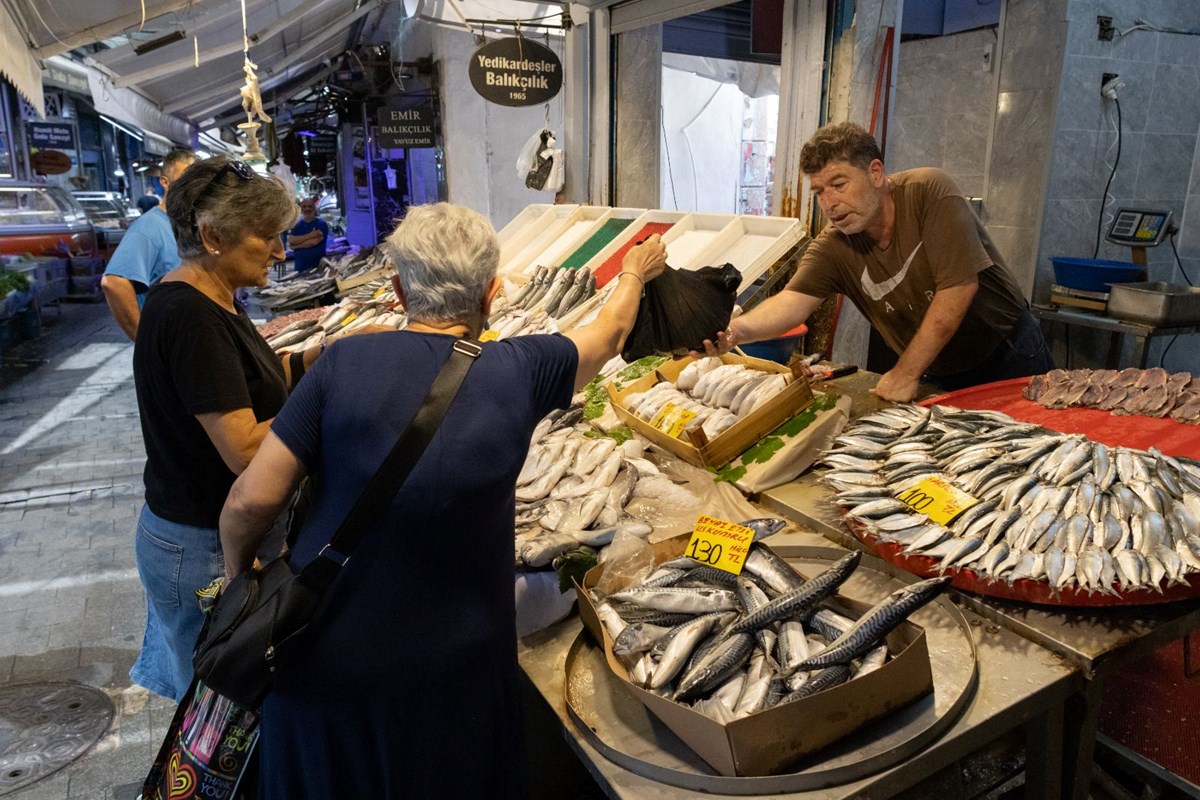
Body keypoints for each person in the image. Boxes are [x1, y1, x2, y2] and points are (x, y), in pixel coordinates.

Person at [218, 204, 667, 798]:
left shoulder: (344, 361)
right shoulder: (520, 367)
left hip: (325, 658)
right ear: (492, 290)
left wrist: (239, 573)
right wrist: (634, 271)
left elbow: (251, 501)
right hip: (457, 673)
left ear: (400, 287)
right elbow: (609, 332)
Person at [130, 157, 331, 702]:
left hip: (196, 537)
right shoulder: (191, 316)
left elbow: (251, 386)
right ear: (213, 236)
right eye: (266, 238)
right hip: (199, 548)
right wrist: (329, 402)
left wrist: (325, 357)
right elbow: (244, 449)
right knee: (217, 708)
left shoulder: (214, 298)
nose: (280, 251)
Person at [701, 122, 1052, 402]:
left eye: (839, 184)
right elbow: (793, 302)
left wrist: (906, 372)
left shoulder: (930, 192)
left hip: (1008, 355)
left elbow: (958, 288)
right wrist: (737, 331)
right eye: (820, 192)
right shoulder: (835, 244)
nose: (830, 203)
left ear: (875, 172)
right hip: (939, 368)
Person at [101, 149, 197, 341]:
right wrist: (145, 342)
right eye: (184, 180)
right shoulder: (148, 228)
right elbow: (113, 283)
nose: (191, 187)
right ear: (164, 182)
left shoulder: (185, 222)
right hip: (169, 349)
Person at [286, 197, 329, 272]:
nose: (307, 209)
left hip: (318, 267)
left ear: (314, 208)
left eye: (310, 206)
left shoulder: (321, 224)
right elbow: (291, 240)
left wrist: (296, 246)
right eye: (304, 206)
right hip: (300, 267)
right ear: (301, 209)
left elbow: (314, 242)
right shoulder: (297, 225)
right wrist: (312, 235)